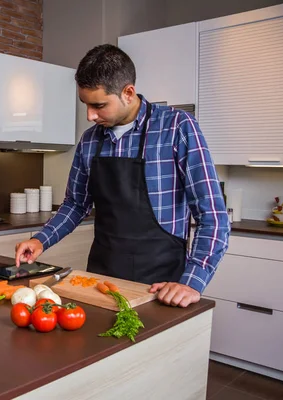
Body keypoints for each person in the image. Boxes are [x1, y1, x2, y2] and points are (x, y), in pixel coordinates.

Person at [15, 44, 230, 308]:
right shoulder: (90, 140)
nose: (90, 116)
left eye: (99, 105)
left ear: (128, 92)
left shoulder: (177, 127)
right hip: (101, 281)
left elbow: (213, 217)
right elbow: (75, 204)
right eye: (86, 104)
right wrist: (40, 240)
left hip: (162, 287)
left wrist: (192, 282)